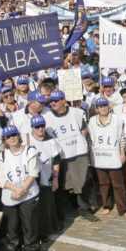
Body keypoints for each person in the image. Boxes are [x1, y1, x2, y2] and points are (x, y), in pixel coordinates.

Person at [43, 89, 95, 222]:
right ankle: (63, 213)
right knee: (62, 184)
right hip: (60, 156)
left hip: (78, 152)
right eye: (51, 101)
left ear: (64, 101)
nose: (53, 103)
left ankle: (85, 209)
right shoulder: (47, 117)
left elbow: (84, 130)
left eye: (56, 100)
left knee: (82, 182)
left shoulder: (76, 112)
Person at [0, 125, 40, 251]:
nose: (12, 138)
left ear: (19, 135)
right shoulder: (1, 156)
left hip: (29, 193)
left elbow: (33, 173)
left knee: (29, 224)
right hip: (10, 196)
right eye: (8, 137)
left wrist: (21, 190)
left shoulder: (30, 151)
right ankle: (14, 245)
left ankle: (30, 246)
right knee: (12, 226)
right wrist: (16, 189)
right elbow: (1, 180)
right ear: (4, 140)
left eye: (14, 135)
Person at [88, 97, 126, 219]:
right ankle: (106, 205)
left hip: (113, 156)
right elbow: (90, 139)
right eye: (100, 106)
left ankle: (123, 209)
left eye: (105, 106)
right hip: (99, 156)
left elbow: (121, 137)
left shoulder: (117, 119)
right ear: (96, 109)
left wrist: (122, 152)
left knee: (118, 184)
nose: (103, 108)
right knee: (103, 183)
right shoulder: (92, 121)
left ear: (108, 106)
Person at [25, 114, 61, 239]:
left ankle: (44, 232)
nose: (40, 129)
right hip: (31, 179)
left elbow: (56, 161)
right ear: (32, 128)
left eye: (42, 126)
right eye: (37, 127)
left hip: (46, 178)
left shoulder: (51, 141)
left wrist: (56, 179)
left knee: (45, 206)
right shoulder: (27, 139)